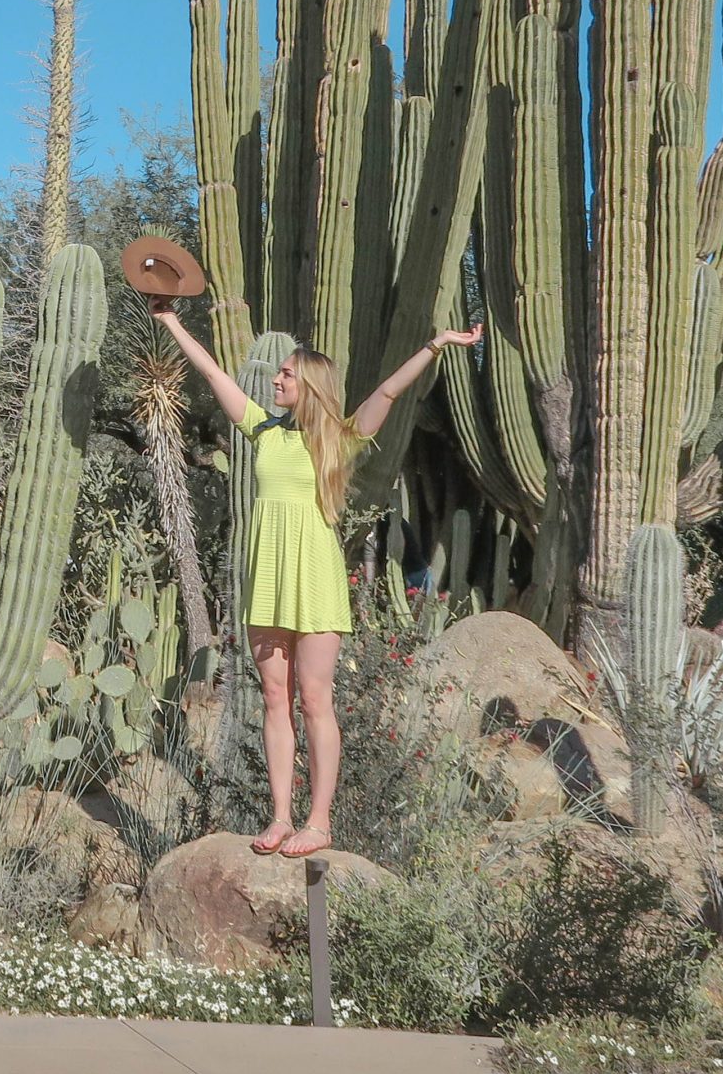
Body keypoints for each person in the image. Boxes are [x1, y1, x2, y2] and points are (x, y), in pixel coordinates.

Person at [149, 298, 482, 858]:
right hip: (266, 577)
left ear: (309, 385)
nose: (275, 378)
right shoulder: (263, 430)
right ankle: (280, 817)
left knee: (313, 700)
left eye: (285, 374)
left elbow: (388, 394)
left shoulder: (338, 438)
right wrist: (172, 323)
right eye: (276, 371)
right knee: (274, 697)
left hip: (315, 577)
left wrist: (435, 345)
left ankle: (318, 821)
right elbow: (211, 372)